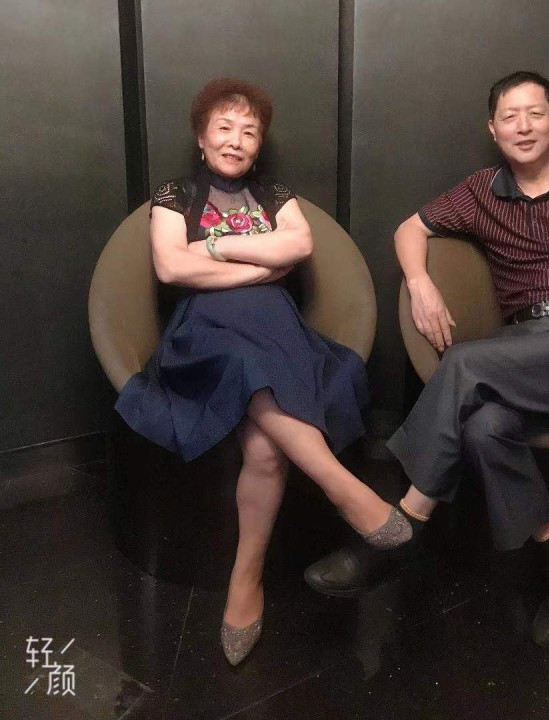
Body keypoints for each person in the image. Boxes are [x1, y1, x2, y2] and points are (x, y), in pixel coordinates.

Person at [304, 70, 549, 649]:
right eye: (509, 116)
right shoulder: (481, 190)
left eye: (535, 113)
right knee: (484, 425)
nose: (523, 126)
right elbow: (409, 228)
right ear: (492, 129)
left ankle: (401, 527)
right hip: (527, 346)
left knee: (465, 364)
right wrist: (420, 283)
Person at [115, 78, 414, 666]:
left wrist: (214, 249)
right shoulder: (174, 194)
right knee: (245, 363)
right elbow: (171, 267)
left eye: (248, 132)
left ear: (258, 146)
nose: (236, 140)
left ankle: (244, 580)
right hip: (205, 335)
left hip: (278, 327)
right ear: (202, 139)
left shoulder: (274, 194)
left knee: (266, 447)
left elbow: (297, 247)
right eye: (224, 128)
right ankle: (345, 490)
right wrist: (255, 264)